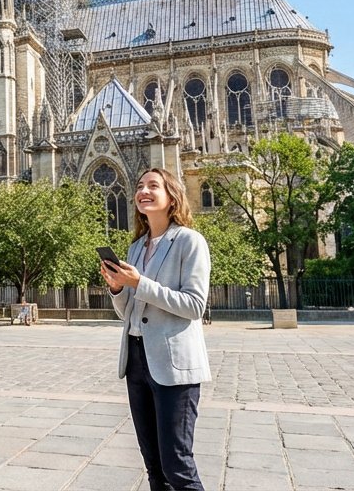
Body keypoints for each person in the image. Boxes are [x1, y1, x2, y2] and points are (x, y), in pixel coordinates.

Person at [101, 167, 211, 491]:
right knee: (153, 466)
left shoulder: (190, 241)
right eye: (139, 186)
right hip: (136, 358)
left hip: (172, 363)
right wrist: (119, 289)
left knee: (177, 465)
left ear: (171, 196)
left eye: (153, 186)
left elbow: (194, 306)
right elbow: (131, 312)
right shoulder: (136, 247)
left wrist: (139, 282)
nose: (143, 191)